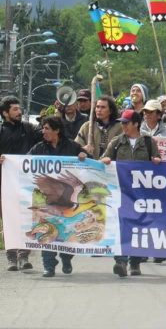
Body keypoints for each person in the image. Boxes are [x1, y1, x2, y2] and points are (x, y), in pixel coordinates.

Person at [101, 109, 161, 277]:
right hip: (121, 191)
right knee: (122, 226)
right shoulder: (117, 142)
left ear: (136, 124)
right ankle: (120, 261)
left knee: (138, 227)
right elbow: (104, 159)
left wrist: (156, 161)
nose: (123, 126)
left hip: (142, 194)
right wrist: (105, 160)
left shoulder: (149, 142)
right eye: (122, 123)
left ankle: (135, 263)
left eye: (126, 123)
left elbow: (156, 161)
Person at [28, 116, 89, 277]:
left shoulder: (72, 146)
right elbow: (23, 163)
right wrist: (7, 161)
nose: (43, 131)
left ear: (57, 130)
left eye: (47, 128)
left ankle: (66, 257)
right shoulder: (38, 148)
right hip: (49, 202)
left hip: (68, 203)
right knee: (47, 232)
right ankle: (48, 265)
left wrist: (84, 155)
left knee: (67, 232)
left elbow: (91, 165)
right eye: (43, 128)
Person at [0, 96, 42, 271]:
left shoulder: (29, 129)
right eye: (15, 109)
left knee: (27, 216)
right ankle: (11, 257)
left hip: (26, 182)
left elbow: (48, 138)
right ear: (5, 113)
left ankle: (24, 256)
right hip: (4, 182)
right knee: (9, 218)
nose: (19, 112)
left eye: (20, 108)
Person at [75, 95, 123, 160]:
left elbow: (123, 149)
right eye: (97, 107)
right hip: (90, 165)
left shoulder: (119, 127)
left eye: (103, 107)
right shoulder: (87, 126)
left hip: (110, 165)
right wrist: (83, 149)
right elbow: (76, 145)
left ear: (110, 111)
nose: (99, 110)